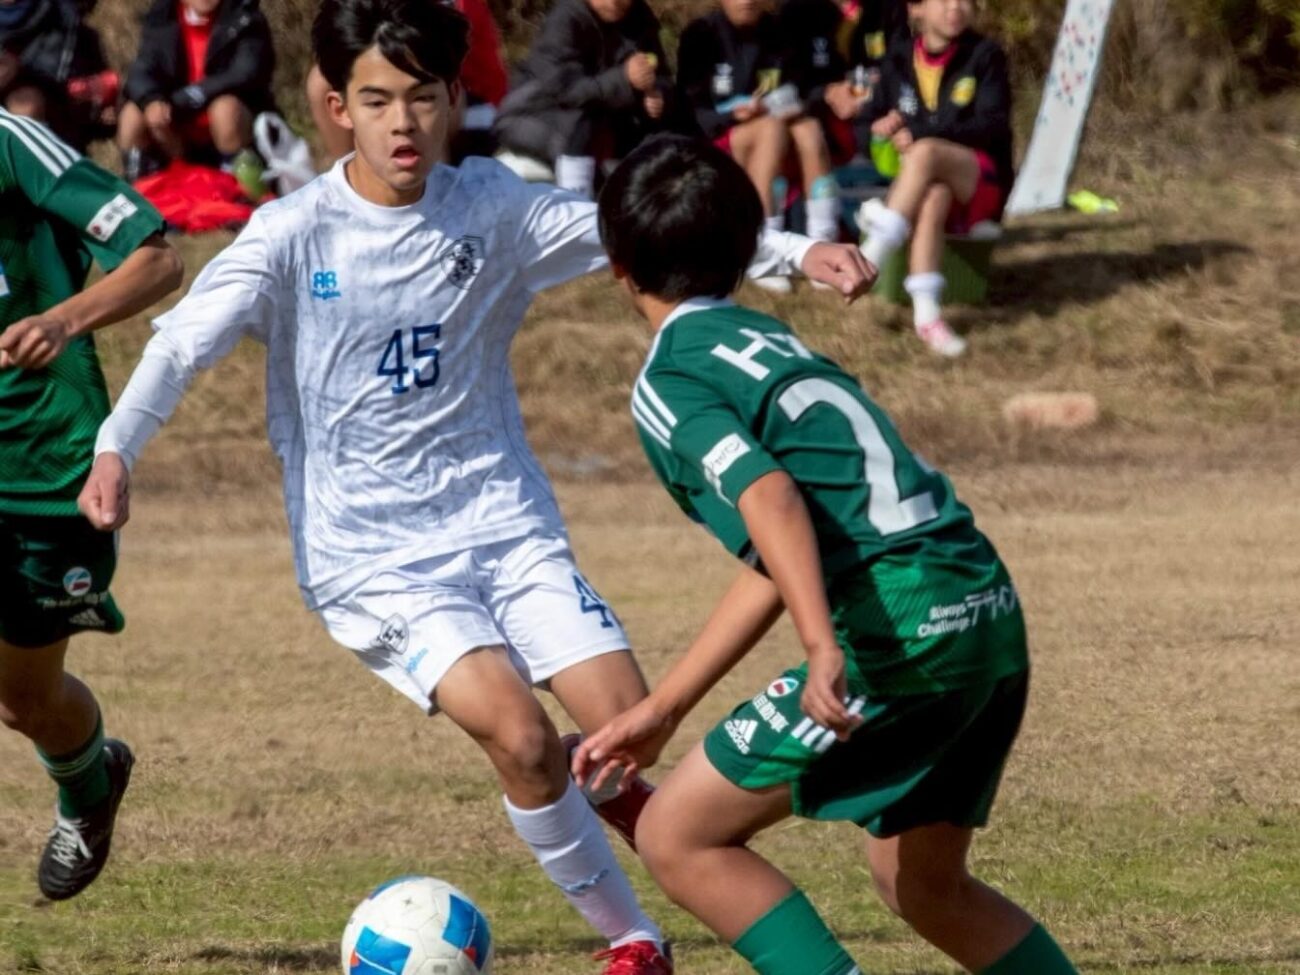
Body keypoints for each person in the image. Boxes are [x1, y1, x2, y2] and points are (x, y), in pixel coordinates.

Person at [78, 0, 869, 971]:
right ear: (333, 106)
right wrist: (118, 447)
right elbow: (183, 342)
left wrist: (796, 254)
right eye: (376, 100)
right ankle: (634, 937)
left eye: (421, 98)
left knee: (621, 724)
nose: (402, 123)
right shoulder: (291, 235)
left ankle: (685, 859)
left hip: (505, 525)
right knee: (525, 739)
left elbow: (645, 230)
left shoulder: (494, 211)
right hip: (371, 555)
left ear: (456, 97)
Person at [573, 135, 1079, 975]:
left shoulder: (671, 380)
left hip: (903, 629)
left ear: (618, 264)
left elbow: (770, 501)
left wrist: (820, 644)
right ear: (745, 251)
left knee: (677, 832)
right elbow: (783, 541)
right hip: (982, 605)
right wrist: (664, 705)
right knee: (922, 886)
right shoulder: (768, 341)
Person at [0, 108, 182, 900]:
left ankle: (88, 786)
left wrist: (60, 318)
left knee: (25, 700)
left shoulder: (11, 143)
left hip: (47, 470)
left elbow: (157, 262)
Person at [856, 0, 1013, 357]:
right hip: (928, 184)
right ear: (916, 9)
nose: (955, 7)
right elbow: (867, 124)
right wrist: (881, 129)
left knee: (926, 151)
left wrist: (922, 132)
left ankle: (871, 258)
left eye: (964, 0)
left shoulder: (986, 55)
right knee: (934, 195)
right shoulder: (897, 58)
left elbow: (993, 125)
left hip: (980, 181)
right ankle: (928, 316)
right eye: (943, 0)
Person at [677, 0, 839, 293]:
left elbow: (800, 87)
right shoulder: (700, 35)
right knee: (772, 129)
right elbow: (690, 110)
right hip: (717, 139)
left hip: (772, 132)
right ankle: (763, 246)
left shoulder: (779, 33)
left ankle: (823, 246)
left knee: (809, 130)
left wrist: (794, 103)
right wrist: (731, 114)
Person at [494, 0, 673, 200]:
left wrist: (653, 93)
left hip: (606, 123)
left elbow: (663, 75)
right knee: (581, 126)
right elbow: (563, 90)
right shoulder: (566, 18)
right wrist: (624, 79)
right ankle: (576, 205)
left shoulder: (639, 18)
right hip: (538, 116)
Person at [306, 0, 508, 164]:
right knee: (321, 81)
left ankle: (435, 186)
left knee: (427, 82)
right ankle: (350, 182)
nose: (402, 123)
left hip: (474, 104)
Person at [117, 0, 274, 182]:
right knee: (132, 114)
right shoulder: (161, 18)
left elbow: (245, 73)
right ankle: (141, 190)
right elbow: (141, 70)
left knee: (225, 110)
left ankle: (241, 188)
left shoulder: (246, 18)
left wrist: (187, 97)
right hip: (176, 132)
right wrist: (152, 100)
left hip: (232, 128)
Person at [0, 0, 115, 147]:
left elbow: (98, 100)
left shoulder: (66, 25)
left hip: (53, 123)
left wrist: (101, 108)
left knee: (26, 105)